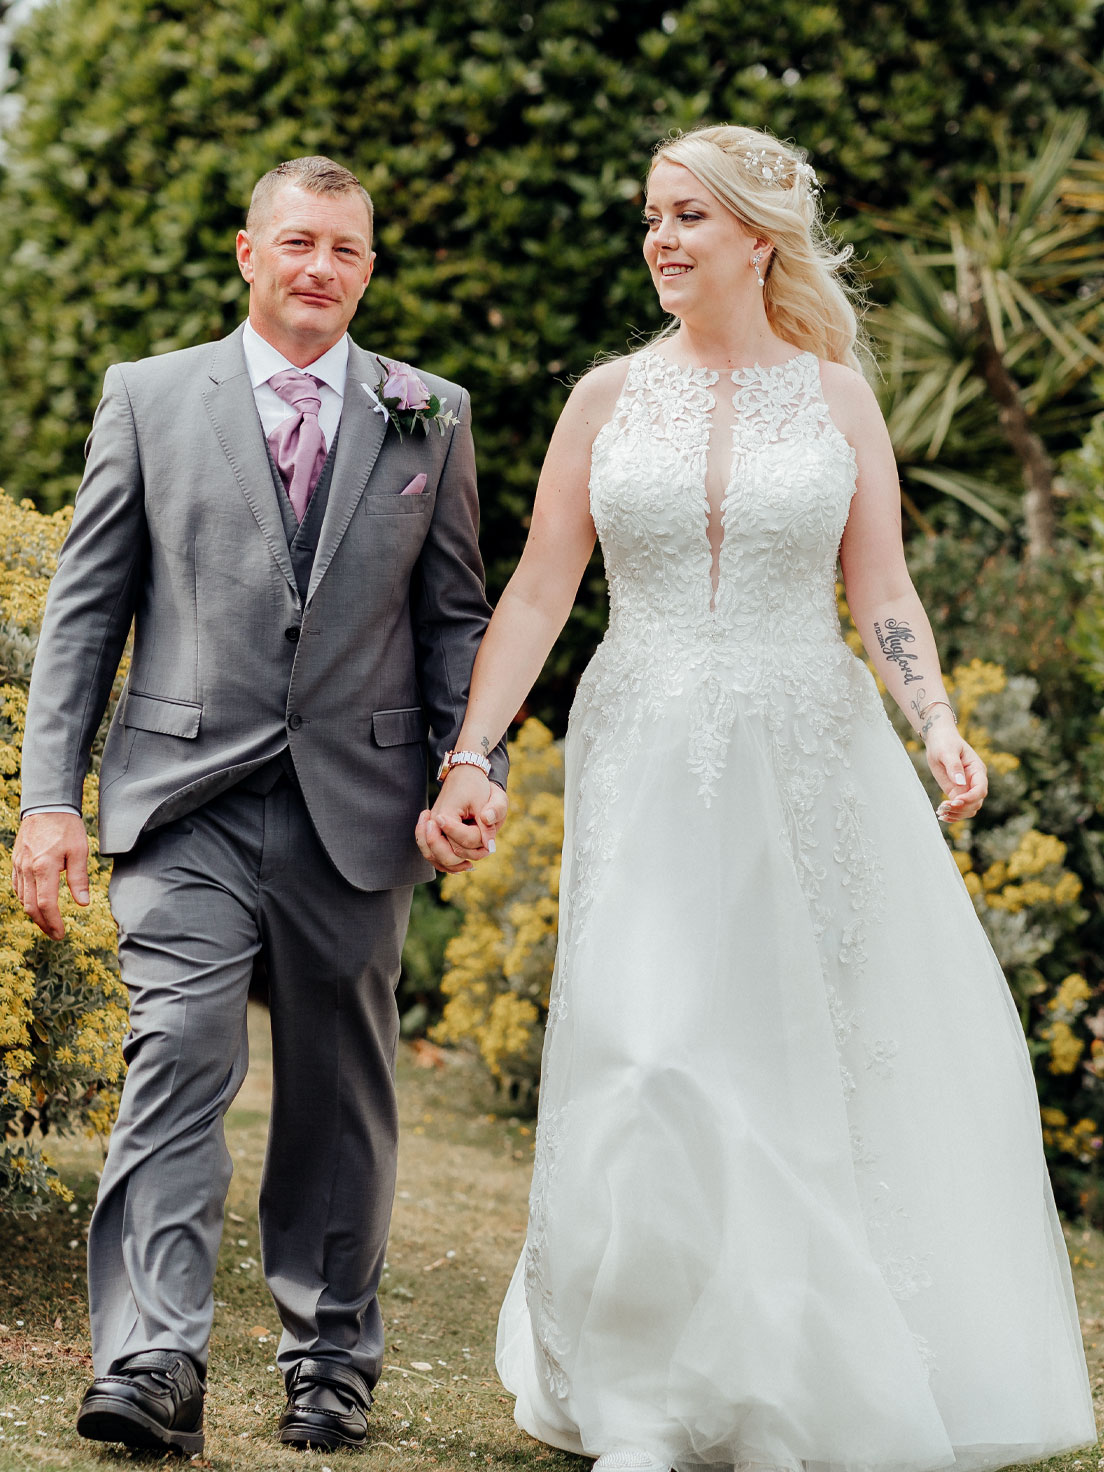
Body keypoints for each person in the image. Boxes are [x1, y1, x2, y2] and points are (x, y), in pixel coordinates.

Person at [416, 125, 1095, 1472]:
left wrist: (939, 726)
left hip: (808, 748)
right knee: (650, 1051)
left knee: (789, 1060)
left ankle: (782, 1381)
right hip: (649, 744)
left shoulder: (839, 399)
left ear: (756, 239)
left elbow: (880, 589)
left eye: (689, 218)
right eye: (654, 216)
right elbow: (543, 587)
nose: (662, 239)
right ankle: (642, 1402)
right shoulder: (605, 399)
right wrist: (471, 754)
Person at [13, 154, 507, 1456]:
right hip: (185, 798)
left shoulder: (426, 414)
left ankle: (329, 1362)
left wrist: (474, 765)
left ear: (368, 268)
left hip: (362, 801)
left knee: (340, 1095)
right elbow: (83, 614)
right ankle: (151, 1362)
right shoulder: (149, 398)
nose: (320, 269)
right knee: (179, 1049)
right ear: (248, 253)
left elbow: (455, 616)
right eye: (298, 243)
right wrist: (47, 798)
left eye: (347, 250)